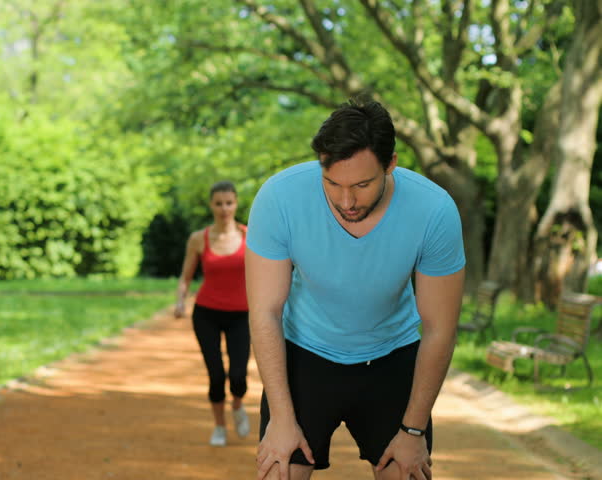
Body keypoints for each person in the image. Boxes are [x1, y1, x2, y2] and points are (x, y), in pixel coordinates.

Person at [245, 99, 465, 480]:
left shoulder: (435, 211)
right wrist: (281, 418)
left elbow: (440, 328)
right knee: (279, 471)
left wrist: (413, 431)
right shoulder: (279, 198)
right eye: (332, 183)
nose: (346, 201)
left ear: (390, 164)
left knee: (407, 473)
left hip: (391, 358)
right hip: (305, 358)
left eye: (362, 185)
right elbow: (265, 311)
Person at [175, 180, 252, 447]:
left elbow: (266, 273)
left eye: (229, 202)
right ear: (211, 205)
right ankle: (219, 427)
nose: (224, 208)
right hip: (207, 313)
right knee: (216, 374)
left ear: (236, 203)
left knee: (238, 375)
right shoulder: (199, 239)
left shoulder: (249, 235)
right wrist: (180, 301)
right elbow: (186, 277)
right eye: (218, 203)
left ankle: (238, 404)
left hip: (242, 314)